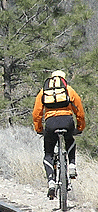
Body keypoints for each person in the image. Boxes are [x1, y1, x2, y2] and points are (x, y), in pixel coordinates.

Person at [32, 70, 86, 198]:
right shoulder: (69, 90)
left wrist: (39, 129)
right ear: (63, 79)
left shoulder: (43, 91)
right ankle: (72, 164)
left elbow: (37, 113)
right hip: (67, 121)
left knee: (49, 152)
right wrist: (80, 127)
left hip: (50, 123)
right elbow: (79, 111)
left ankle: (51, 180)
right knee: (70, 140)